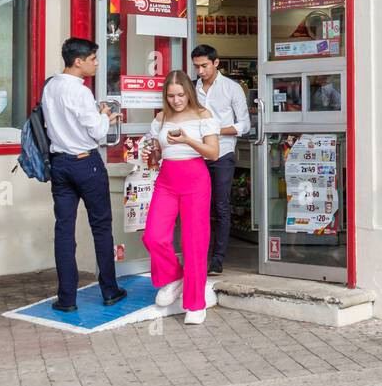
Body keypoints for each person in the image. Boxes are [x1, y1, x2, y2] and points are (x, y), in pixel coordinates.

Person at [42, 37, 125, 313]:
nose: (96, 63)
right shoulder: (80, 92)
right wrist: (105, 117)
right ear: (78, 62)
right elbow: (98, 133)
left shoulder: (49, 86)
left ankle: (66, 298)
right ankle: (110, 291)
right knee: (101, 227)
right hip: (85, 164)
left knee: (64, 229)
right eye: (93, 59)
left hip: (59, 165)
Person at [142, 70, 220, 324]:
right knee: (153, 236)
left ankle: (196, 303)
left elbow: (213, 153)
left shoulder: (202, 115)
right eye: (171, 95)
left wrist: (187, 140)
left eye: (180, 95)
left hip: (195, 179)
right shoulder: (160, 119)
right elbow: (157, 154)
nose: (176, 100)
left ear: (188, 92)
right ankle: (175, 278)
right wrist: (151, 153)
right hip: (166, 180)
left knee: (194, 242)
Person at [191, 45, 251, 276]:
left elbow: (244, 125)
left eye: (204, 65)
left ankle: (217, 259)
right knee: (198, 206)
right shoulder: (192, 88)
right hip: (196, 153)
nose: (200, 71)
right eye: (197, 66)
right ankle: (197, 256)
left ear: (216, 63)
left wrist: (214, 131)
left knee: (221, 206)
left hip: (222, 153)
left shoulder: (231, 88)